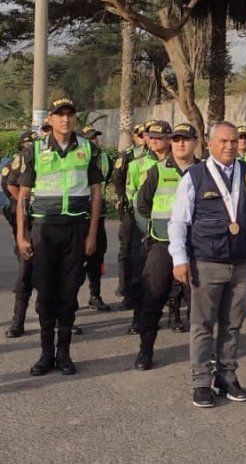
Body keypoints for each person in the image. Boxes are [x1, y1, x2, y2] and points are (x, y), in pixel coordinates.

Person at [168, 120, 246, 408]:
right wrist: (179, 259)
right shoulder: (195, 176)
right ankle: (201, 381)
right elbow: (178, 222)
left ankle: (227, 377)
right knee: (202, 325)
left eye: (233, 141)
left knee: (233, 324)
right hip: (206, 261)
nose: (229, 146)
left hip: (242, 262)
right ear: (210, 144)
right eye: (222, 141)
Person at [15, 97, 103, 376]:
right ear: (50, 119)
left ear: (75, 118)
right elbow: (23, 197)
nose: (65, 119)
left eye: (69, 114)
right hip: (44, 229)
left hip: (76, 229)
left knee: (68, 293)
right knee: (45, 292)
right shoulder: (35, 150)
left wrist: (91, 233)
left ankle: (64, 353)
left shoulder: (88, 148)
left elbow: (96, 192)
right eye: (59, 114)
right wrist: (21, 235)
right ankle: (45, 354)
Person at [131, 123, 200, 370]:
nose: (181, 144)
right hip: (163, 244)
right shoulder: (157, 171)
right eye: (177, 139)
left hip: (195, 245)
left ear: (195, 142)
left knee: (199, 301)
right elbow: (142, 205)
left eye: (187, 139)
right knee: (153, 295)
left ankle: (200, 354)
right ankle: (145, 349)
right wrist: (158, 227)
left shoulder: (204, 172)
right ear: (171, 142)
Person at [126, 121, 172, 333]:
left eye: (159, 137)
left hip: (171, 229)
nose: (154, 141)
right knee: (141, 275)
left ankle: (174, 316)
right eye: (151, 137)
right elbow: (133, 196)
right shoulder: (137, 164)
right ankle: (139, 317)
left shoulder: (179, 164)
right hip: (144, 227)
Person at [2, 131, 37, 337]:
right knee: (25, 273)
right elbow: (9, 185)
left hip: (52, 222)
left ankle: (61, 319)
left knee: (57, 276)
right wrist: (25, 203)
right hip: (29, 222)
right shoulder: (20, 159)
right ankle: (18, 321)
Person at [109, 122, 147, 308]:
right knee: (127, 250)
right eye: (140, 135)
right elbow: (117, 178)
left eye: (146, 134)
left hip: (150, 213)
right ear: (134, 136)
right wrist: (122, 199)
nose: (144, 138)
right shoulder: (128, 155)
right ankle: (125, 288)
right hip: (130, 210)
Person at [80, 125, 113, 312]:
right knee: (75, 262)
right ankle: (70, 302)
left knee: (97, 256)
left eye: (96, 138)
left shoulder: (104, 158)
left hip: (98, 215)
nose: (94, 141)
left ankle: (95, 295)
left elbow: (105, 182)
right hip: (78, 216)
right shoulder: (76, 159)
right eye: (90, 138)